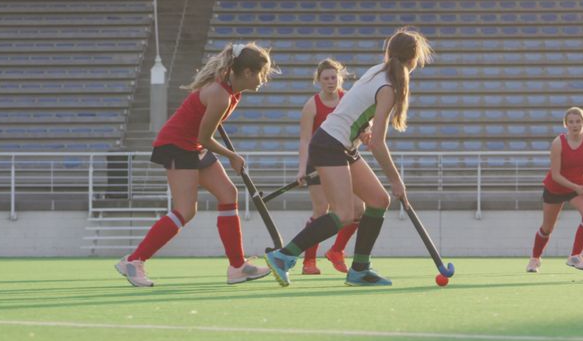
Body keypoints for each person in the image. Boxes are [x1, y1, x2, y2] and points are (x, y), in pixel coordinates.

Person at [264, 28, 433, 287]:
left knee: (378, 200)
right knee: (344, 214)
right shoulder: (388, 85)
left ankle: (360, 269)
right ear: (413, 58)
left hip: (342, 145)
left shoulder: (379, 70)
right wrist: (396, 179)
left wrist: (361, 130)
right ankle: (284, 256)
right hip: (330, 144)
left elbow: (355, 109)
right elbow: (377, 143)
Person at [115, 43, 278, 287]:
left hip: (194, 146)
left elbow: (202, 136)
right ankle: (134, 260)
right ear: (247, 73)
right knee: (185, 210)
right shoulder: (220, 95)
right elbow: (204, 137)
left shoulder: (232, 92)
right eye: (261, 73)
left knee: (227, 193)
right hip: (176, 145)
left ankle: (237, 267)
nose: (263, 80)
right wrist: (232, 156)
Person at [295, 58, 363, 275]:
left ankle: (337, 251)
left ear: (339, 78)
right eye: (326, 78)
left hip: (343, 160)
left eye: (334, 77)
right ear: (319, 81)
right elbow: (305, 139)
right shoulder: (311, 106)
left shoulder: (347, 99)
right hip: (317, 163)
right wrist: (302, 169)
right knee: (320, 211)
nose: (331, 82)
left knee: (358, 209)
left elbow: (359, 127)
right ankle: (309, 262)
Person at [528, 107, 583, 273]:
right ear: (565, 124)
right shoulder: (558, 143)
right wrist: (577, 187)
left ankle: (575, 256)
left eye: (578, 121)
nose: (575, 125)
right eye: (571, 122)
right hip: (556, 187)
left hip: (578, 186)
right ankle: (534, 259)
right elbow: (555, 175)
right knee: (547, 228)